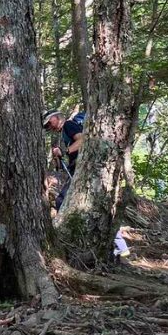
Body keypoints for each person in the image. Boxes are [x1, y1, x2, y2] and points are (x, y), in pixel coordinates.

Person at [42, 109, 129, 258]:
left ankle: (118, 244)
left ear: (56, 117)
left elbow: (83, 140)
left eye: (49, 123)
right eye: (46, 127)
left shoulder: (69, 125)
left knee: (62, 201)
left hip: (82, 169)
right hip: (79, 169)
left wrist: (65, 151)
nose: (49, 128)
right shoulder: (65, 131)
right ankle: (117, 245)